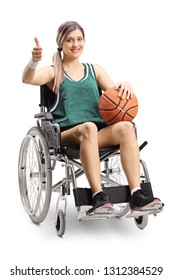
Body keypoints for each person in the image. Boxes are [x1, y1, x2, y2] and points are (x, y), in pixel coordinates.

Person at [22, 20, 163, 215]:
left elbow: (117, 98)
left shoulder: (94, 70)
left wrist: (126, 84)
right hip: (67, 134)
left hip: (96, 134)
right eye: (69, 40)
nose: (75, 44)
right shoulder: (54, 71)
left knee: (126, 127)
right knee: (88, 127)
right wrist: (34, 61)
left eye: (79, 39)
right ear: (61, 43)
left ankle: (137, 194)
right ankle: (98, 197)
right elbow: (28, 79)